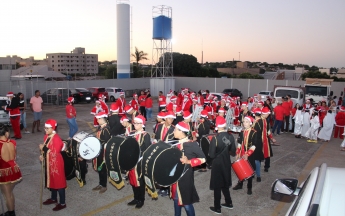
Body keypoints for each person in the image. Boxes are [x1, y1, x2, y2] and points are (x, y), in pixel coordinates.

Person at [170, 121, 206, 216]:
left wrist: (189, 162)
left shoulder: (191, 144)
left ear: (181, 131)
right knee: (176, 199)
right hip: (175, 177)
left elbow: (203, 159)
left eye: (175, 130)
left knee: (186, 203)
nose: (173, 132)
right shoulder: (175, 143)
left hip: (185, 178)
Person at [208, 116, 236, 214]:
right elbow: (233, 151)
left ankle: (217, 207)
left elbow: (211, 154)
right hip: (226, 162)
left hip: (217, 164)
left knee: (217, 186)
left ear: (217, 126)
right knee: (225, 183)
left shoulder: (215, 139)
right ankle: (229, 203)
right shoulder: (230, 136)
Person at [39, 119, 67, 211]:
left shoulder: (56, 138)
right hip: (49, 162)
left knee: (59, 182)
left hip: (56, 163)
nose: (45, 130)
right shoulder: (46, 136)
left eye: (47, 128)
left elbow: (54, 153)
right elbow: (45, 149)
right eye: (45, 128)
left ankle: (62, 203)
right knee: (52, 180)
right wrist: (42, 155)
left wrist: (44, 149)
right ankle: (53, 198)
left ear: (52, 128)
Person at [127, 115, 151, 209]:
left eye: (137, 123)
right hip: (131, 162)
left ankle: (141, 199)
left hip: (139, 163)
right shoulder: (131, 133)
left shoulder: (145, 135)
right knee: (132, 181)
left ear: (142, 124)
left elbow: (147, 150)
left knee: (140, 182)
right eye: (134, 123)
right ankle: (136, 198)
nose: (135, 125)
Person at [0, 124, 22, 216]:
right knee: (10, 193)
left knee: (7, 195)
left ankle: (11, 213)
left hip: (4, 173)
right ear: (6, 133)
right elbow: (15, 157)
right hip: (15, 170)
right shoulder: (13, 142)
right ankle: (11, 211)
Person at [233, 116, 257, 195]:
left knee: (249, 171)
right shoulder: (242, 131)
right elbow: (239, 143)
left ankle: (249, 187)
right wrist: (237, 152)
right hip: (242, 154)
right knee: (240, 169)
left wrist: (247, 154)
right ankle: (240, 184)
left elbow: (254, 145)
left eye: (246, 122)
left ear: (250, 123)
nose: (244, 123)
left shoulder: (254, 132)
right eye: (244, 122)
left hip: (250, 155)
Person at [92, 112, 111, 194]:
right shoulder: (100, 127)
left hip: (103, 152)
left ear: (102, 119)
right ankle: (100, 183)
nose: (97, 120)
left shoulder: (106, 129)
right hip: (98, 151)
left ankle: (104, 185)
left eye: (98, 119)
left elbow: (107, 142)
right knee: (99, 168)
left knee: (103, 169)